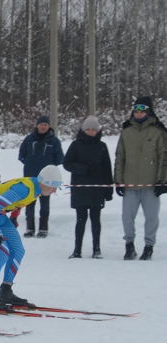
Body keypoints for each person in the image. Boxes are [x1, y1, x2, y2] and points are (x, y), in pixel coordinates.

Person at [0, 165, 63, 309]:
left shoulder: (37, 188)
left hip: (1, 215)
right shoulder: (25, 188)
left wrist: (14, 217)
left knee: (18, 251)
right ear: (45, 183)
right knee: (2, 254)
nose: (55, 191)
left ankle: (6, 292)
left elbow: (19, 203)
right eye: (54, 187)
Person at [114, 96, 167, 261]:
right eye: (136, 110)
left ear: (148, 112)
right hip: (130, 184)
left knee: (151, 218)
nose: (138, 113)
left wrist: (162, 181)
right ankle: (129, 245)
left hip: (151, 185)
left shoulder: (158, 132)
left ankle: (149, 246)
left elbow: (164, 158)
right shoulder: (127, 132)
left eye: (142, 110)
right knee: (127, 217)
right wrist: (119, 181)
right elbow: (120, 157)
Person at [63, 116, 113, 259]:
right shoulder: (76, 145)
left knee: (96, 220)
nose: (91, 132)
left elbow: (107, 169)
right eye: (88, 129)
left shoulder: (102, 146)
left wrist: (108, 189)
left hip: (97, 188)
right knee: (81, 219)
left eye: (93, 130)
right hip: (80, 188)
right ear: (84, 130)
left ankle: (96, 249)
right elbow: (67, 163)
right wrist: (84, 169)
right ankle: (77, 249)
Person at [18, 115, 64, 238]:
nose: (43, 126)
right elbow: (21, 155)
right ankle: (30, 228)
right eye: (41, 124)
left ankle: (43, 228)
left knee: (44, 203)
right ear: (37, 125)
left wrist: (49, 168)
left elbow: (59, 158)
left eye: (45, 124)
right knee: (29, 201)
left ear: (49, 126)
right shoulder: (29, 139)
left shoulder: (54, 141)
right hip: (30, 177)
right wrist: (30, 164)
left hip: (47, 179)